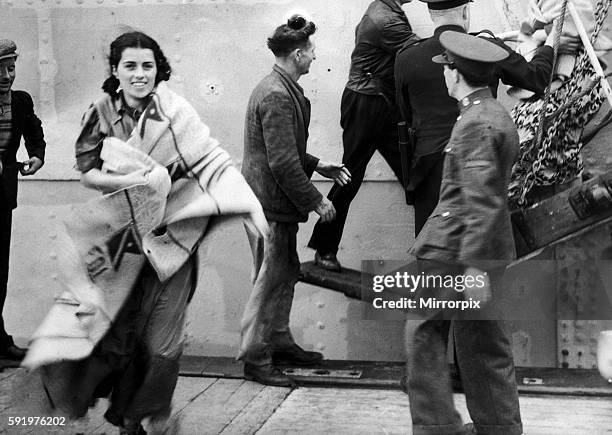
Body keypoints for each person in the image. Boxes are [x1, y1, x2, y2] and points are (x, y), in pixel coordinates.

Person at [24, 31, 266, 434]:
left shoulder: (177, 113)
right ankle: (125, 418)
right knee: (116, 338)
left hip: (173, 243)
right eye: (131, 66)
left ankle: (138, 417)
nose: (140, 75)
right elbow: (87, 174)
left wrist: (244, 203)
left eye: (148, 66)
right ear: (116, 70)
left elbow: (209, 161)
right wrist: (132, 180)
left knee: (163, 345)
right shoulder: (99, 112)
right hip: (122, 242)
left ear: (159, 69)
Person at [404, 31, 522, 435]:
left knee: (424, 335)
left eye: (447, 67)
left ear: (455, 74)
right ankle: (498, 427)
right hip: (486, 247)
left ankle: (437, 428)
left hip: (451, 251)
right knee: (484, 346)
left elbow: (481, 199)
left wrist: (473, 269)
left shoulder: (474, 123)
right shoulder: (494, 112)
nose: (445, 74)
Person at [239, 15, 351, 387]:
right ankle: (256, 358)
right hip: (266, 206)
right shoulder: (275, 95)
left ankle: (279, 341)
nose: (315, 58)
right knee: (268, 279)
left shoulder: (283, 89)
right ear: (298, 54)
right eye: (312, 52)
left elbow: (287, 149)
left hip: (275, 204)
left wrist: (321, 165)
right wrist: (317, 201)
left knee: (285, 272)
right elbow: (283, 162)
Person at [394, 0, 557, 235]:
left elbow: (405, 114)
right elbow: (537, 79)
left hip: (427, 171)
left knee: (432, 249)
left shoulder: (406, 58)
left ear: (431, 14)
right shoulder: (485, 50)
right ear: (464, 11)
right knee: (478, 236)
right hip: (480, 159)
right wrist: (550, 44)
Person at [307, 0, 416, 271]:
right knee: (350, 177)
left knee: (414, 175)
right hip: (367, 105)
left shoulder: (386, 10)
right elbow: (424, 52)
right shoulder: (385, 19)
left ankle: (434, 250)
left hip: (380, 102)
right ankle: (324, 248)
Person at [0, 39, 45, 361]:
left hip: (2, 196)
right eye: (0, 69)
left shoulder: (20, 101)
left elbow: (34, 132)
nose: (6, 76)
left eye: (11, 68)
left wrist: (36, 156)